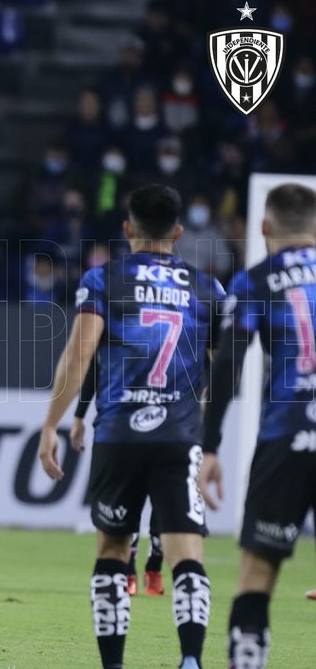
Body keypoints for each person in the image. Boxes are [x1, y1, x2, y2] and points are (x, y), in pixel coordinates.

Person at [39, 184, 224, 669]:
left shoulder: (105, 280)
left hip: (120, 433)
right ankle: (189, 660)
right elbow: (223, 365)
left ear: (127, 229)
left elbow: (81, 355)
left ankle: (114, 665)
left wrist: (52, 424)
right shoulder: (208, 288)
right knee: (187, 550)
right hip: (180, 436)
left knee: (113, 549)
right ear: (178, 232)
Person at [198, 183, 316, 668]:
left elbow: (228, 364)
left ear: (265, 228)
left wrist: (209, 447)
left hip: (286, 436)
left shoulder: (254, 281)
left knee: (257, 576)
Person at [71, 361, 164, 597]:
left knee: (166, 502)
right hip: (122, 426)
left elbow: (204, 359)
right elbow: (95, 365)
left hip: (167, 424)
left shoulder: (178, 328)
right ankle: (128, 570)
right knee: (125, 503)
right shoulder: (114, 329)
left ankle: (154, 565)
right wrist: (79, 413)